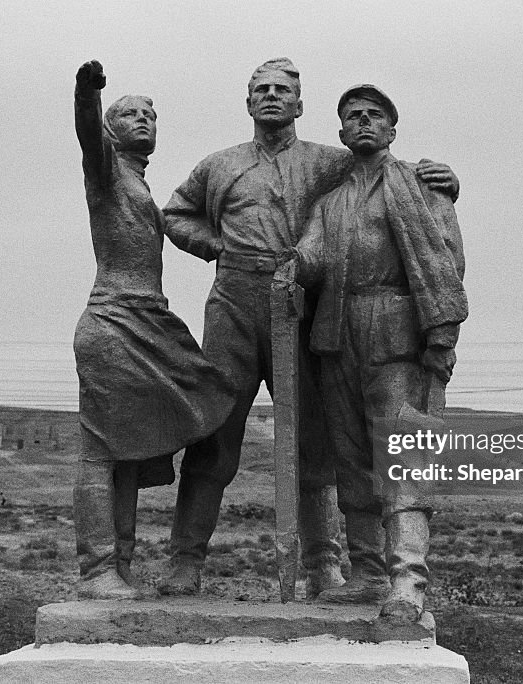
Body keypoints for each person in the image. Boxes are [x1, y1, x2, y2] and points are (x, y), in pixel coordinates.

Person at [158, 58, 460, 599]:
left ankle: (327, 566)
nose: (272, 97)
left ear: (300, 105)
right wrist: (217, 246)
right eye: (261, 90)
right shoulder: (219, 166)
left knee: (319, 443)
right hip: (235, 304)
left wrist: (442, 182)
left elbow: (388, 175)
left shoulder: (331, 163)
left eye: (284, 91)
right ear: (248, 102)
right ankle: (185, 562)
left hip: (306, 311)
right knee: (214, 435)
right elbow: (175, 215)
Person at [292, 84, 468, 622]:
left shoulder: (423, 186)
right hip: (339, 334)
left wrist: (440, 335)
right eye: (353, 116)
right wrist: (290, 265)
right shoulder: (330, 202)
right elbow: (313, 256)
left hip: (398, 331)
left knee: (403, 452)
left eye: (374, 115)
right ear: (342, 134)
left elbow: (448, 261)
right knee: (351, 458)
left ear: (392, 130)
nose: (363, 121)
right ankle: (367, 571)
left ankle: (407, 580)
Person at [71, 60, 234, 600]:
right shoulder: (108, 171)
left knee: (138, 444)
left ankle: (121, 565)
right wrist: (87, 95)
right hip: (114, 321)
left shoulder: (139, 181)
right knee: (102, 451)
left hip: (148, 319)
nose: (142, 119)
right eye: (129, 114)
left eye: (150, 115)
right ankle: (99, 570)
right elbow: (88, 141)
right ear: (111, 129)